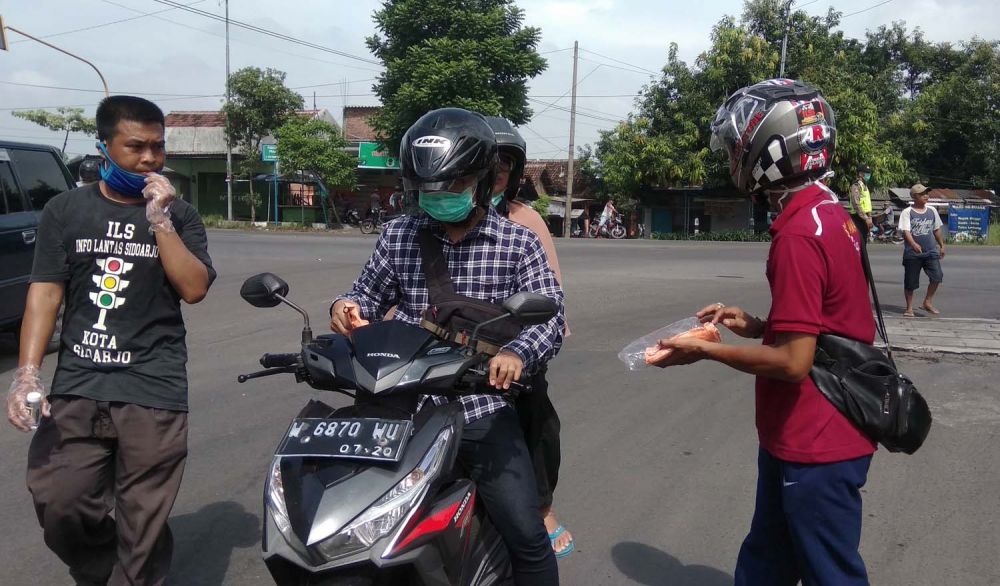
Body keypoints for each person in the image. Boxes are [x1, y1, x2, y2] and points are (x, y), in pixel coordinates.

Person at [653, 79, 877, 585]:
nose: (732, 158)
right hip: (805, 431)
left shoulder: (799, 235)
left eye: (736, 147)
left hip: (816, 438)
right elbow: (826, 323)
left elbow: (795, 362)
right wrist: (756, 325)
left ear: (769, 150)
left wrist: (707, 352)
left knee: (827, 571)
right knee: (766, 561)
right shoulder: (829, 212)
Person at [329, 108, 564, 585]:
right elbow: (366, 293)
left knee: (526, 533)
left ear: (481, 182)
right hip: (403, 406)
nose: (438, 199)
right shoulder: (400, 235)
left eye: (451, 188)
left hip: (481, 408)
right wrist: (346, 307)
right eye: (428, 191)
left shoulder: (518, 244)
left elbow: (551, 317)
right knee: (352, 522)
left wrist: (516, 353)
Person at [5, 96, 216, 585]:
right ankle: (105, 567)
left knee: (142, 525)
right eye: (136, 147)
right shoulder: (65, 210)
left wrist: (159, 221)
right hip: (79, 384)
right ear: (103, 146)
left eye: (158, 148)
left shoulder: (180, 216)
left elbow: (194, 288)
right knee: (60, 502)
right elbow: (45, 293)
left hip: (154, 388)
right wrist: (28, 373)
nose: (149, 159)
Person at [485, 116, 573, 558]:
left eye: (506, 166)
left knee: (540, 421)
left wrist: (523, 349)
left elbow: (549, 300)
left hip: (513, 350)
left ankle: (542, 508)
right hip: (446, 351)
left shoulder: (527, 222)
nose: (497, 173)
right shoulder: (417, 224)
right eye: (489, 163)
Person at [899, 183, 945, 317]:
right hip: (912, 253)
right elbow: (906, 231)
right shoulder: (907, 212)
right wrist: (913, 244)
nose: (926, 196)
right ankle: (909, 308)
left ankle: (927, 302)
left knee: (937, 276)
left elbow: (936, 229)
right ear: (914, 197)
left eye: (927, 193)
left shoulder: (932, 210)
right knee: (910, 282)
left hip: (930, 251)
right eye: (923, 194)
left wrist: (942, 245)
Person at [849, 164, 874, 244]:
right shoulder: (856, 186)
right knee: (859, 243)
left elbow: (867, 204)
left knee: (863, 243)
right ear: (860, 174)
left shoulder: (865, 186)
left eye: (869, 173)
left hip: (864, 218)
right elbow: (856, 204)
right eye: (866, 173)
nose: (868, 175)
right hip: (857, 218)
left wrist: (869, 217)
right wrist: (866, 218)